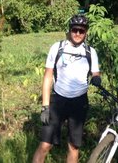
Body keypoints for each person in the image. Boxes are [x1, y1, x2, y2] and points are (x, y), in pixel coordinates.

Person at [32, 14, 101, 163]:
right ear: (69, 31)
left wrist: (96, 77)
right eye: (74, 30)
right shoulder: (57, 48)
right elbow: (48, 76)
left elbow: (95, 71)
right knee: (45, 144)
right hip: (58, 101)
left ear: (86, 32)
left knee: (74, 146)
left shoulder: (90, 52)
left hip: (79, 103)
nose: (77, 34)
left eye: (81, 31)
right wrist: (45, 106)